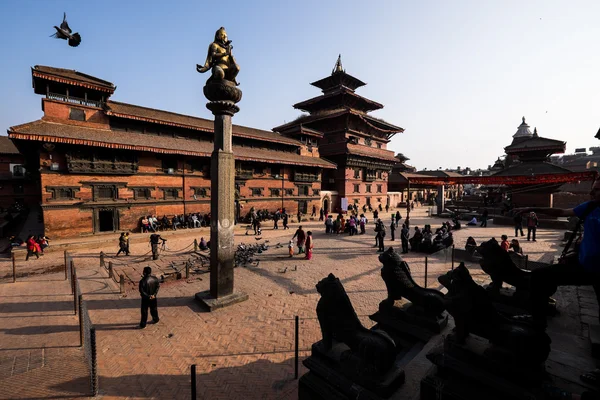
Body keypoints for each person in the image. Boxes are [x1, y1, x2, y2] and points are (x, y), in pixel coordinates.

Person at [515, 179, 600, 328]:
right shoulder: (590, 207)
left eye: (597, 190)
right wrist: (532, 209)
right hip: (584, 266)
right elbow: (560, 212)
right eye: (593, 189)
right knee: (539, 275)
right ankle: (538, 319)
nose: (591, 193)